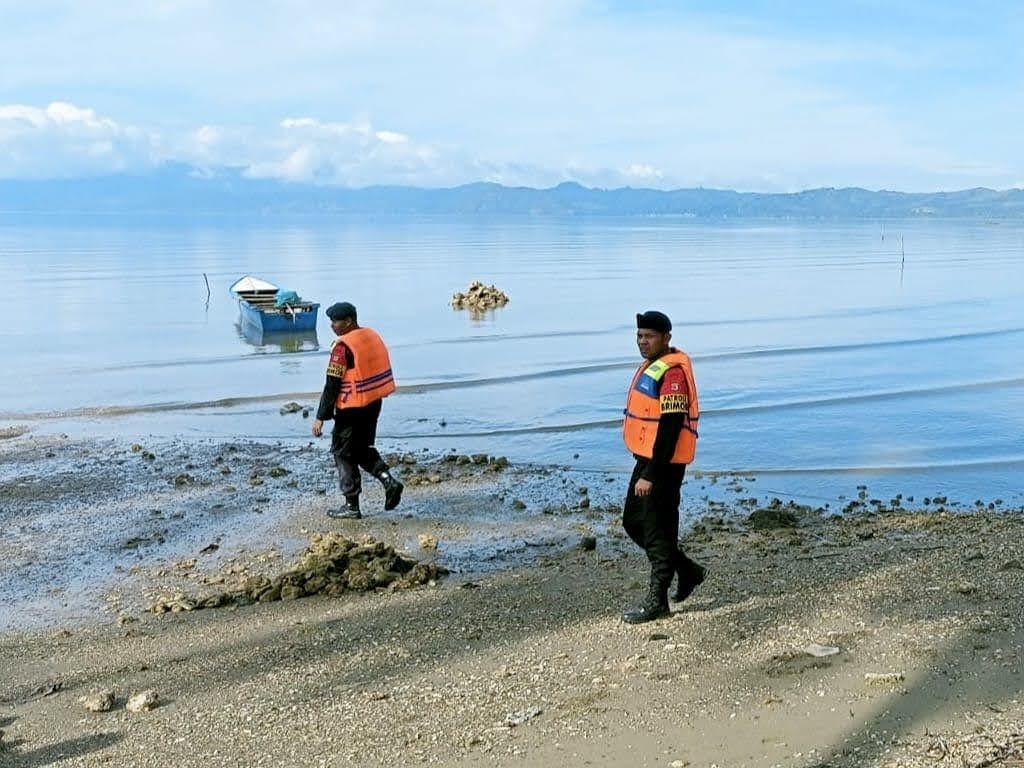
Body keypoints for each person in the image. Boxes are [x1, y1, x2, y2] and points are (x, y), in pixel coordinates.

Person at [620, 310, 706, 624]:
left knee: (657, 530)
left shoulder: (672, 376)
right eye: (639, 336)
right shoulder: (655, 367)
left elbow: (669, 430)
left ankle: (658, 600)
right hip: (648, 459)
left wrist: (651, 475)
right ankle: (687, 569)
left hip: (663, 465)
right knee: (633, 521)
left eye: (649, 337)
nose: (643, 342)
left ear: (666, 338)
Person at [311, 301, 403, 519]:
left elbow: (332, 384)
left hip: (351, 408)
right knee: (362, 447)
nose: (332, 326)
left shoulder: (342, 348)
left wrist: (320, 417)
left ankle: (351, 506)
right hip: (373, 402)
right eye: (331, 322)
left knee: (342, 452)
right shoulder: (370, 335)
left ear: (349, 321)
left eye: (336, 321)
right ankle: (388, 481)